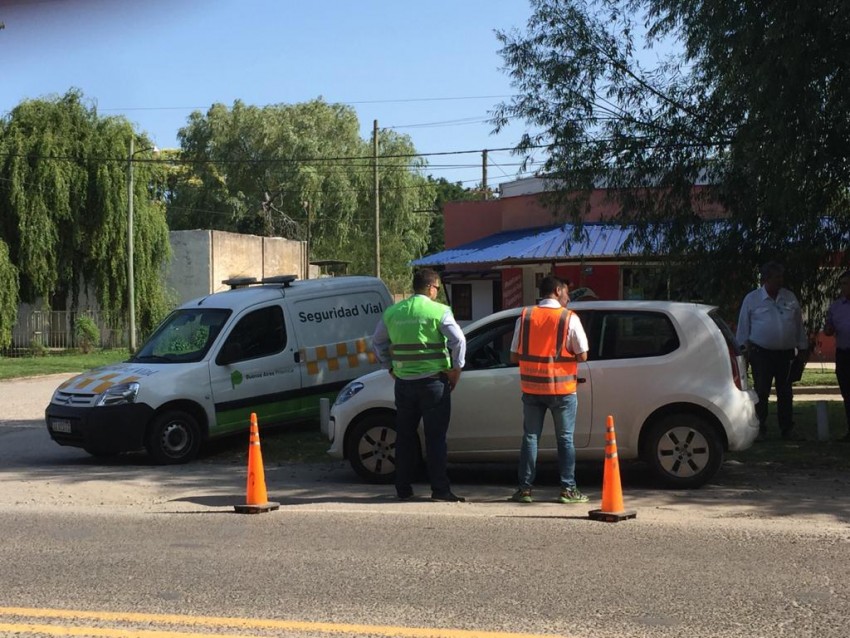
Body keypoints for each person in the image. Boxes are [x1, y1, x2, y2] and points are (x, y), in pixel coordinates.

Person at [372, 268, 467, 502]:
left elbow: (377, 341)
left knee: (405, 437)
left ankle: (403, 488)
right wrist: (456, 369)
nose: (437, 293)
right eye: (437, 288)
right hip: (433, 383)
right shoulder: (439, 311)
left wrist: (389, 367)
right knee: (436, 438)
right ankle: (440, 489)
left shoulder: (393, 312)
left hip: (404, 384)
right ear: (430, 287)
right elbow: (458, 340)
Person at [509, 275, 589, 504]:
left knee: (530, 438)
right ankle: (568, 489)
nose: (568, 298)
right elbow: (583, 354)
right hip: (562, 391)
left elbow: (514, 355)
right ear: (557, 291)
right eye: (567, 292)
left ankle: (524, 490)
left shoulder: (525, 316)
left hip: (532, 389)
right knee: (565, 439)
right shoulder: (569, 318)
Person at [736, 262, 808, 441]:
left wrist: (803, 347)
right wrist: (742, 352)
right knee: (761, 392)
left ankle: (787, 429)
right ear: (766, 279)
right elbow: (743, 327)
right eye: (777, 277)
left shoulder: (789, 297)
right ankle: (759, 429)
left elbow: (798, 325)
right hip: (761, 353)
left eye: (781, 277)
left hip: (786, 354)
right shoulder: (752, 299)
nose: (780, 280)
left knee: (786, 392)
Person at [823, 270, 850, 442]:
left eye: (846, 284)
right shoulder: (836, 307)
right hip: (844, 354)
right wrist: (828, 329)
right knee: (847, 393)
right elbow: (828, 328)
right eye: (841, 284)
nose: (843, 287)